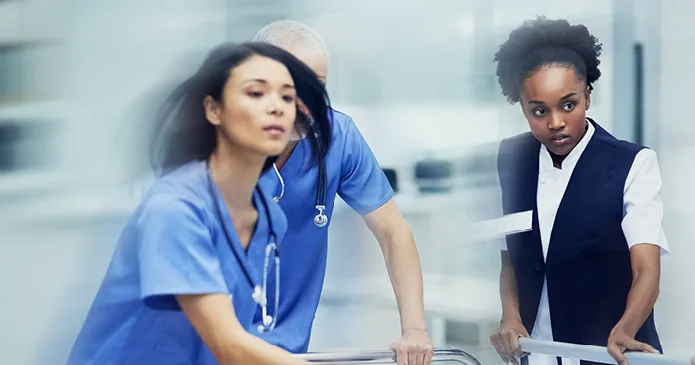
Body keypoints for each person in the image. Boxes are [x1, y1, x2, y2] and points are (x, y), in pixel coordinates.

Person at [66, 42, 333, 365]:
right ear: (213, 109)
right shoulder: (174, 210)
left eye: (287, 96)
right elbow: (229, 345)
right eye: (256, 93)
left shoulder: (269, 217)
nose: (276, 107)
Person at [251, 20, 434, 365]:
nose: (308, 102)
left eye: (317, 85)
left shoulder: (338, 137)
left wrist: (414, 329)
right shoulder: (222, 145)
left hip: (288, 348)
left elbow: (393, 232)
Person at [488, 17, 668, 365]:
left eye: (568, 105)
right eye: (539, 111)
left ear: (587, 96)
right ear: (523, 108)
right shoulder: (511, 157)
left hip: (608, 351)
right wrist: (510, 317)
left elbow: (646, 268)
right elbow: (510, 253)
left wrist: (626, 328)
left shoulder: (633, 164)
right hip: (537, 350)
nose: (555, 122)